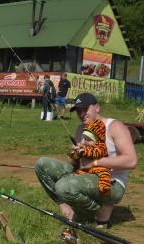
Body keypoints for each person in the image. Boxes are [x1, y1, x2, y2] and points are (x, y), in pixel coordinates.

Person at [35, 92, 137, 228]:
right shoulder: (80, 130)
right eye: (78, 111)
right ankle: (66, 205)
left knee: (63, 187)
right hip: (86, 176)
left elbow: (131, 161)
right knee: (42, 164)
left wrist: (95, 163)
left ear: (97, 108)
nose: (82, 114)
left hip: (111, 183)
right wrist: (74, 154)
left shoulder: (115, 127)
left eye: (85, 110)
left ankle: (99, 210)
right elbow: (74, 165)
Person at [68, 119, 112, 195]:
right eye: (85, 139)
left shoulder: (101, 147)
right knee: (78, 173)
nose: (85, 142)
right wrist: (74, 152)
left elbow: (95, 153)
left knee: (104, 174)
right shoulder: (85, 146)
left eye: (89, 140)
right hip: (87, 169)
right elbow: (76, 157)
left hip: (99, 168)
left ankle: (105, 187)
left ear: (97, 140)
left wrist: (84, 151)